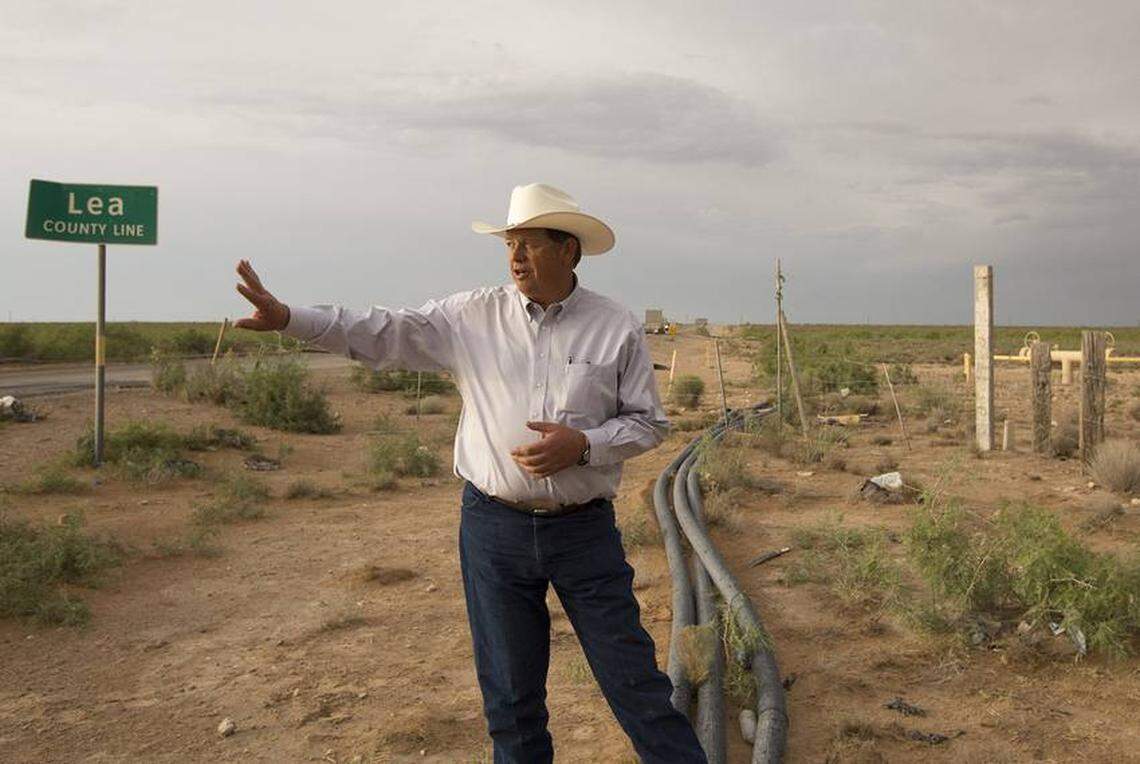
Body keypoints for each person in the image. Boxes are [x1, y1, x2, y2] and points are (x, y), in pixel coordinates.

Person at [233, 183, 706, 763]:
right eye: (510, 243)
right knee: (510, 698)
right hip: (494, 530)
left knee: (634, 683)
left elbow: (648, 424)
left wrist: (584, 445)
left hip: (583, 533)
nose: (516, 256)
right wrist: (289, 318)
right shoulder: (470, 317)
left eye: (530, 243)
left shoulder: (615, 326)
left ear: (569, 251)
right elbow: (383, 331)